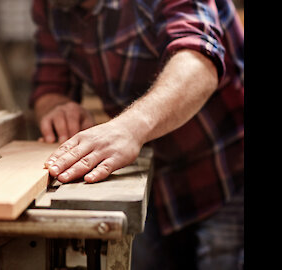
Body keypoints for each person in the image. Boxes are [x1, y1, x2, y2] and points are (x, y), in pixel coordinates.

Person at [29, 0, 244, 269]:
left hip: (225, 170)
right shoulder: (51, 6)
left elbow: (199, 61)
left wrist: (128, 129)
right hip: (153, 176)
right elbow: (49, 85)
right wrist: (58, 108)